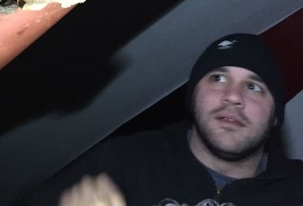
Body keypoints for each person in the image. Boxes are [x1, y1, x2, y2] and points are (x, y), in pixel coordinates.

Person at [21, 33, 303, 205]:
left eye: (253, 86)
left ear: (275, 116)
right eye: (218, 78)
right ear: (192, 97)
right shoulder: (123, 162)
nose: (232, 96)